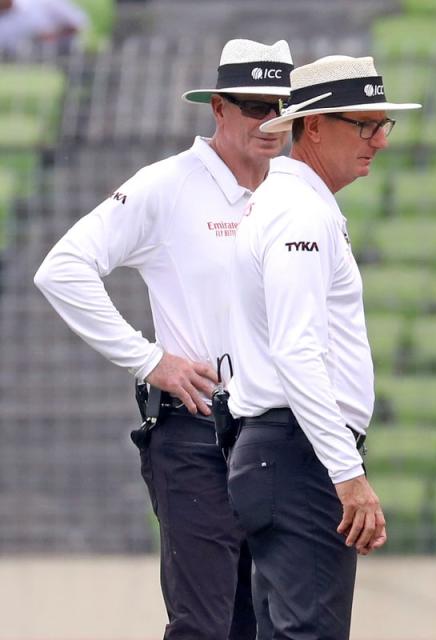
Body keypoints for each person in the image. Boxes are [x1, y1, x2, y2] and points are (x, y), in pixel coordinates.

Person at [33, 39, 294, 640]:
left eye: (281, 107)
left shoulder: (293, 190)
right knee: (204, 626)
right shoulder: (167, 185)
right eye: (255, 106)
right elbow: (63, 267)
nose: (269, 121)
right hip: (200, 432)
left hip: (278, 432)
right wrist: (149, 360)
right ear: (219, 109)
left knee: (272, 625)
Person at [224, 54, 420, 638]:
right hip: (297, 452)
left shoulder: (290, 205)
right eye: (364, 125)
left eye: (383, 125)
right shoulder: (300, 213)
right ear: (313, 126)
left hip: (281, 450)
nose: (380, 141)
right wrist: (346, 470)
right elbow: (296, 351)